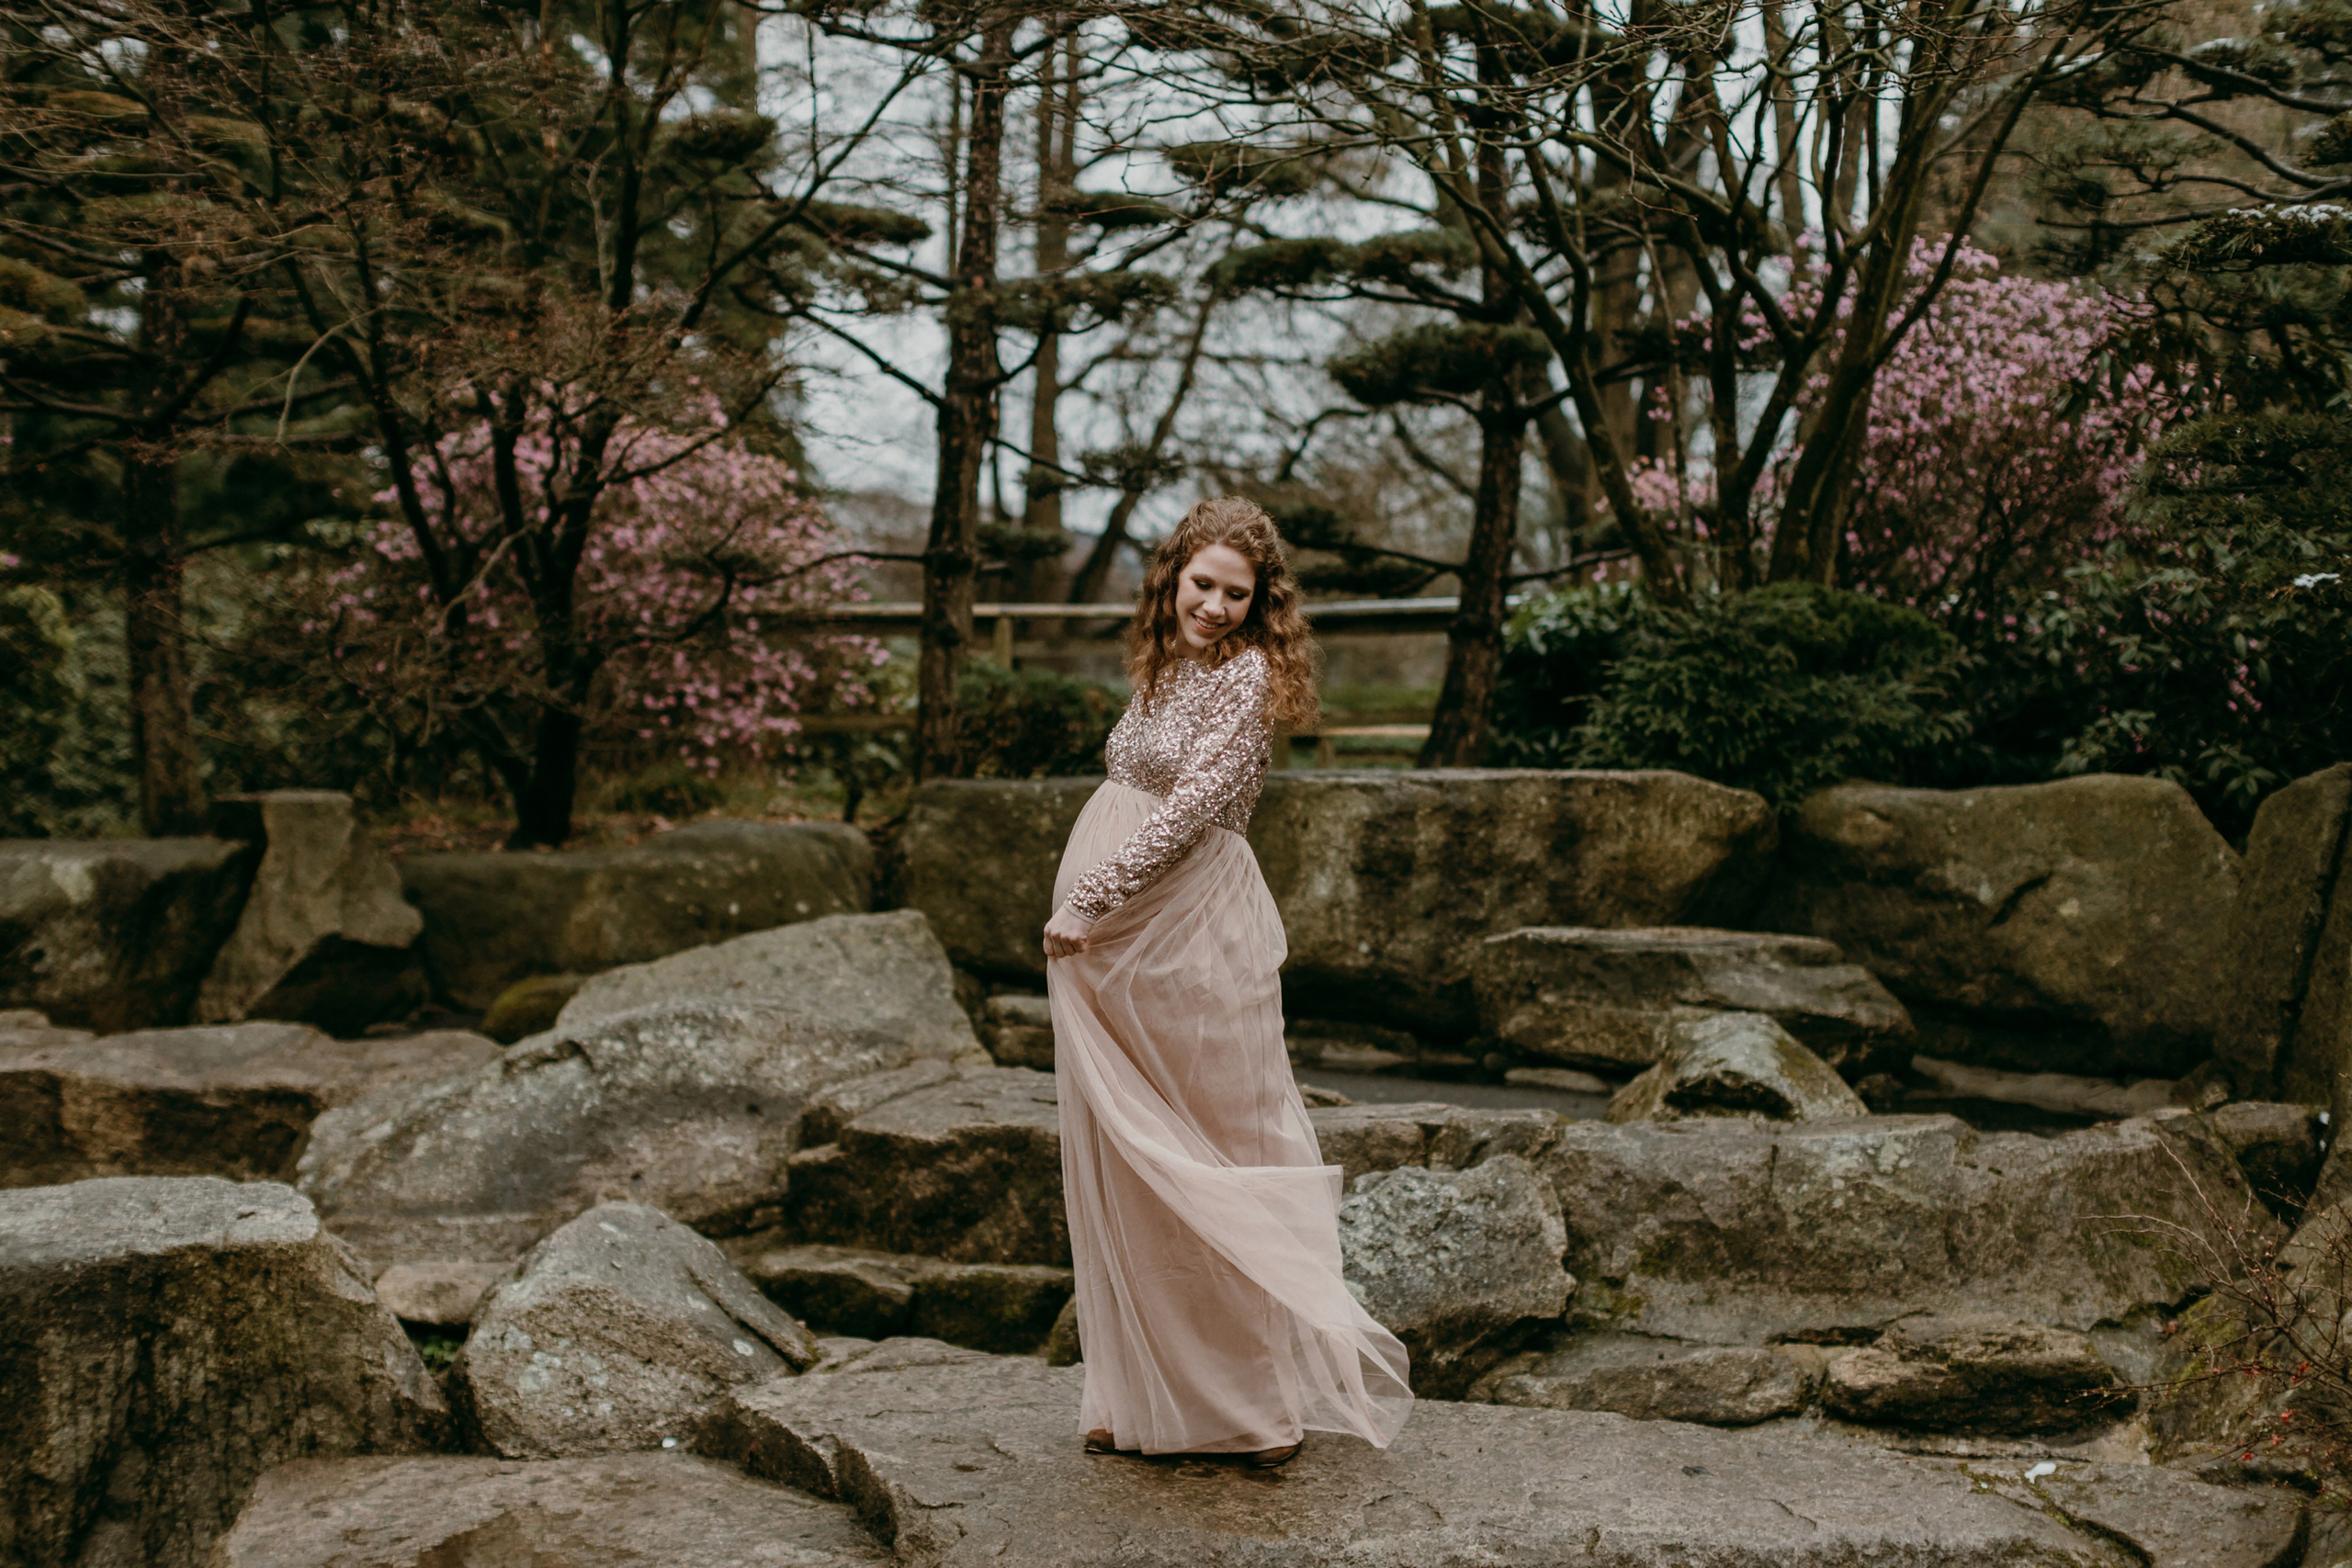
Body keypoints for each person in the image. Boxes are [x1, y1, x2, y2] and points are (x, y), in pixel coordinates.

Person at [1040, 495, 1414, 1468]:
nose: (1214, 605)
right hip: (1125, 946)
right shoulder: (1167, 666)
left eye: (1236, 594)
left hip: (1184, 936)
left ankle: (1254, 1411)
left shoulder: (1243, 676)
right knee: (1133, 1161)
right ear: (1173, 578)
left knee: (1213, 1150)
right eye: (1202, 584)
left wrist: (1090, 899)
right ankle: (1152, 1403)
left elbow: (1193, 808)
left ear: (1261, 604)